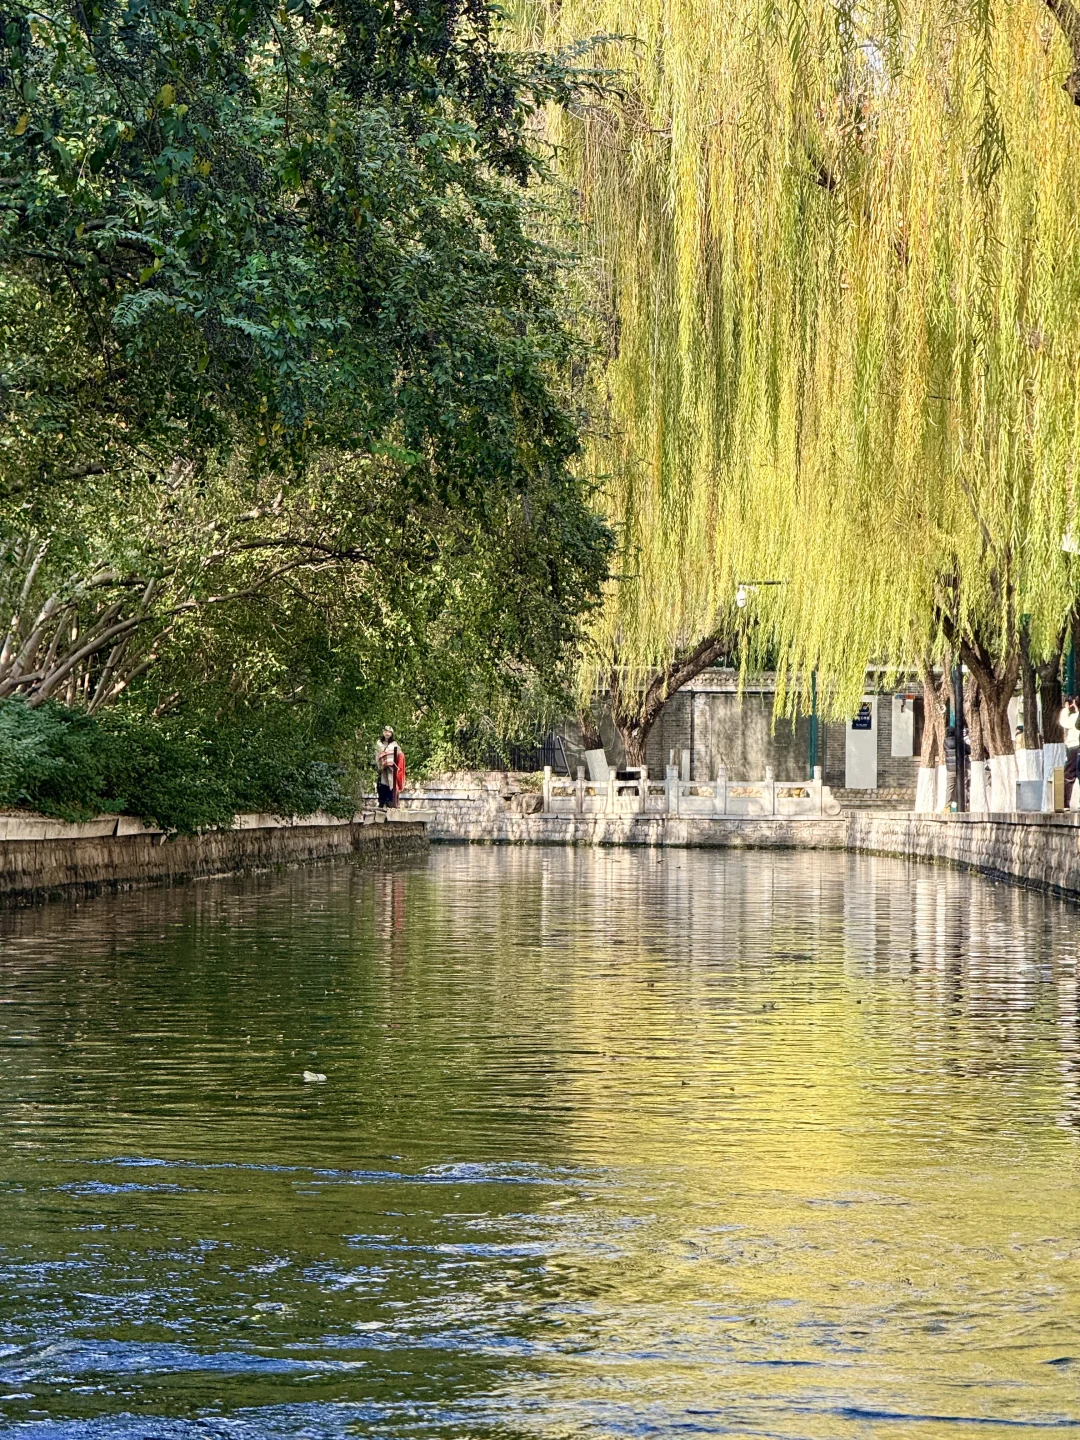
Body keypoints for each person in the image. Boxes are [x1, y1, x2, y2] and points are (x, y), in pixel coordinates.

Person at [375, 727, 403, 809]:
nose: (387, 733)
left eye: (389, 732)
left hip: (391, 769)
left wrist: (388, 753)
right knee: (381, 784)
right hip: (382, 768)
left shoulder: (394, 744)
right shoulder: (379, 743)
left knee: (391, 784)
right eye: (386, 731)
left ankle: (390, 801)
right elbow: (377, 753)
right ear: (383, 732)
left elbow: (398, 753)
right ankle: (382, 801)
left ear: (391, 734)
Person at [1060, 697, 1080, 807]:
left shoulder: (1074, 717)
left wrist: (1066, 709)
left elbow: (1064, 722)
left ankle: (1065, 803)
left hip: (1074, 747)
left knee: (1069, 775)